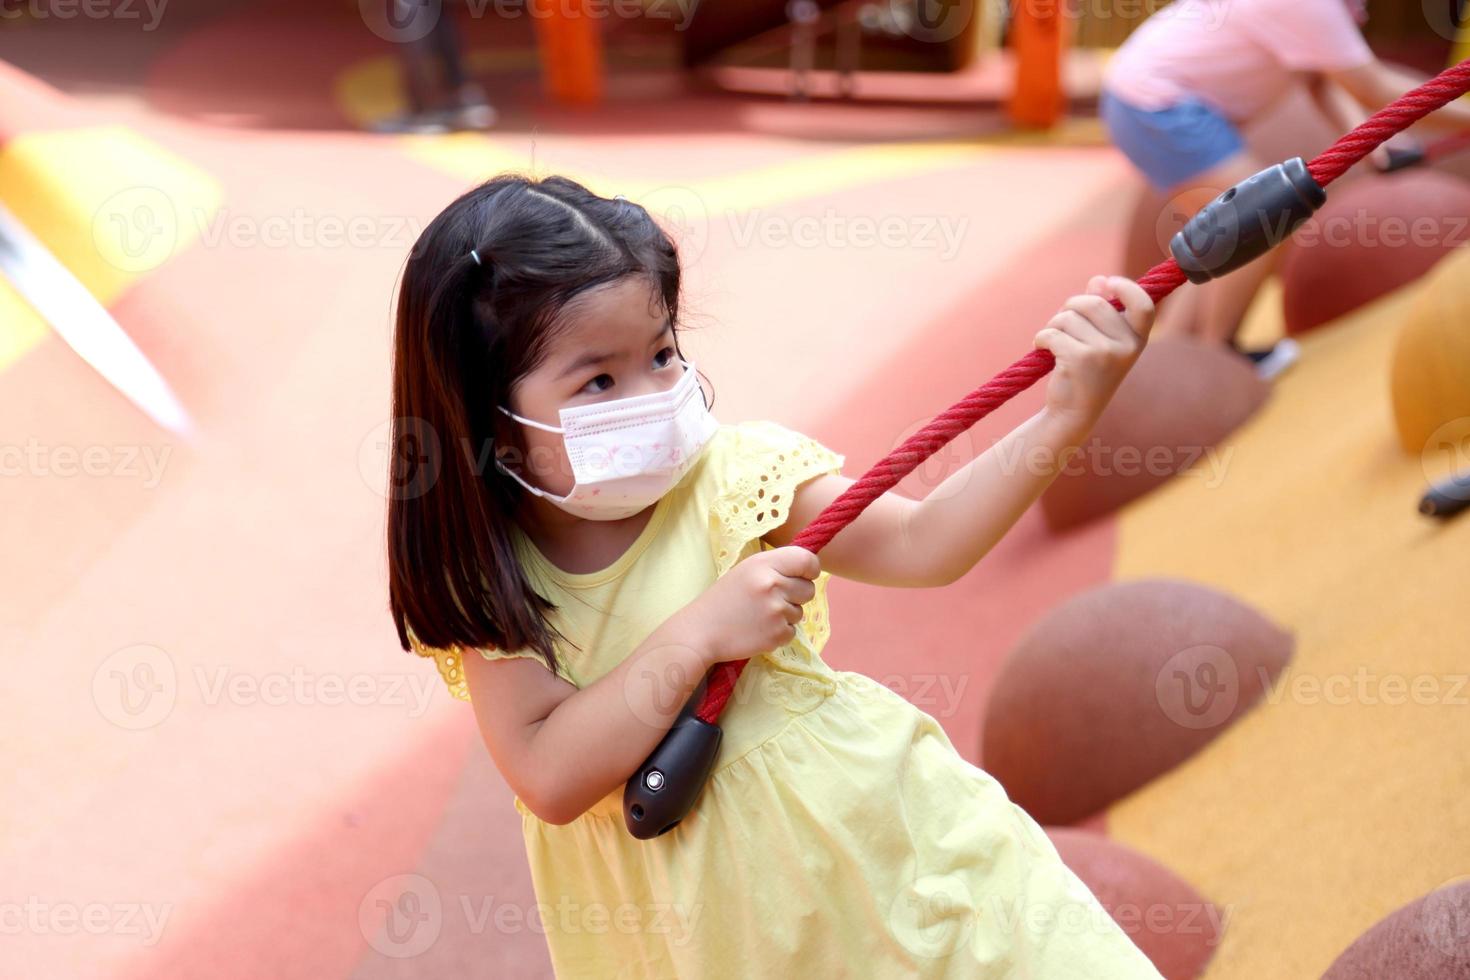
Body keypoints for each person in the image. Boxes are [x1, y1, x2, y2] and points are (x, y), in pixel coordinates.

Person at [386, 173, 1165, 977]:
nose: (657, 394)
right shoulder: (491, 579)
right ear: (487, 417)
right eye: (600, 380)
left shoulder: (735, 478)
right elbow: (549, 775)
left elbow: (924, 541)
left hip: (891, 860)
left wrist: (1068, 412)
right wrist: (698, 632)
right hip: (711, 942)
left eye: (662, 353)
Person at [1100, 0, 1470, 380]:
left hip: (1143, 95)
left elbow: (1319, 76)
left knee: (1224, 236)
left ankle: (1177, 353)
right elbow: (1374, 87)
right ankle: (1217, 358)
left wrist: (1369, 140)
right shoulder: (1311, 6)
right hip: (1157, 104)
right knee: (1261, 219)